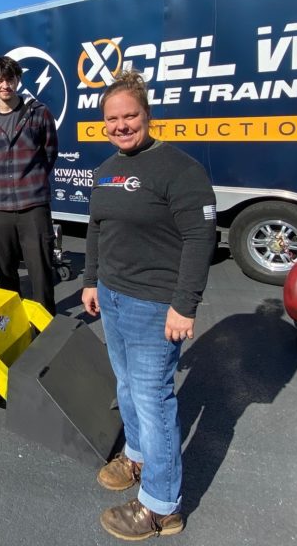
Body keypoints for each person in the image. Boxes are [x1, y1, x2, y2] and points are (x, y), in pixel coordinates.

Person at [81, 70, 216, 540]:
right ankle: (137, 456)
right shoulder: (106, 170)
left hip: (155, 304)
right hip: (113, 298)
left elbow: (201, 238)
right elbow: (97, 227)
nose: (121, 125)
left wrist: (185, 304)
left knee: (153, 398)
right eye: (112, 119)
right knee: (127, 386)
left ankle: (162, 506)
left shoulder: (179, 169)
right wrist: (91, 280)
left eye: (130, 116)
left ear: (147, 115)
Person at [0, 55, 59, 313]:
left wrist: (30, 178)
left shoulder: (39, 113)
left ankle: (47, 336)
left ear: (18, 81)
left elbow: (49, 153)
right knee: (6, 277)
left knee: (41, 277)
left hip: (33, 207)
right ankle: (14, 331)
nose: (5, 85)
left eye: (10, 79)